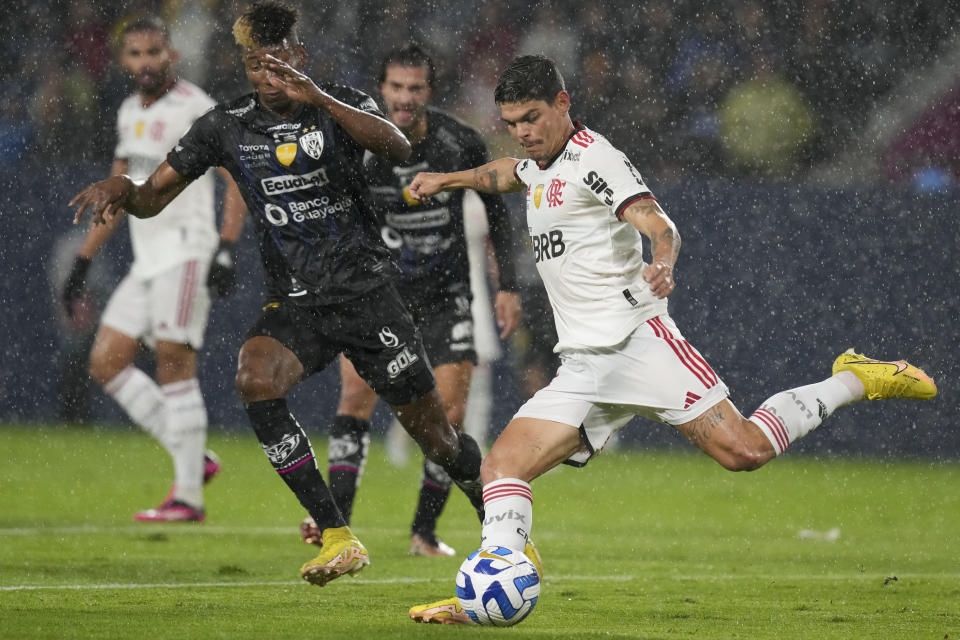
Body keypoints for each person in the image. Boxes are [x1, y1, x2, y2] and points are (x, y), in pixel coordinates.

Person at [404, 55, 938, 624]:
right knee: (499, 471)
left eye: (532, 117)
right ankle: (486, 595)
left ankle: (854, 378)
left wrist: (663, 259)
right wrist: (448, 180)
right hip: (583, 366)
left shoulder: (596, 160)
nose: (524, 132)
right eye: (512, 123)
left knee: (746, 452)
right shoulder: (537, 162)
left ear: (563, 103)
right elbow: (507, 173)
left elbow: (658, 223)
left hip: (641, 345)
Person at [69, 1, 488, 588]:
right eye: (254, 66)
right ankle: (337, 534)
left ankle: (503, 522)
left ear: (298, 56)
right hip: (297, 301)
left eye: (276, 63)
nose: (267, 77)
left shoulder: (337, 103)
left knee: (439, 438)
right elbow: (154, 194)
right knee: (255, 377)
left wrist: (319, 98)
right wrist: (127, 189)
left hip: (367, 295)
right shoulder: (227, 123)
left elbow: (397, 147)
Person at [298, 44, 522, 558]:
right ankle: (338, 527)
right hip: (378, 297)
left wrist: (507, 285)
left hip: (447, 297)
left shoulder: (457, 141)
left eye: (415, 87)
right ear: (381, 88)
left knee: (450, 415)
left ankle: (424, 533)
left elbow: (498, 214)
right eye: (396, 87)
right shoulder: (360, 142)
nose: (405, 97)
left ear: (431, 91)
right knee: (355, 399)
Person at [61, 15, 246, 522]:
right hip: (147, 259)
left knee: (173, 365)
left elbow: (235, 178)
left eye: (154, 53)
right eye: (136, 54)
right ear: (123, 61)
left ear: (172, 55)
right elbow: (114, 193)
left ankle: (187, 497)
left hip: (187, 250)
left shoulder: (197, 107)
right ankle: (195, 459)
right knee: (105, 362)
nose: (145, 63)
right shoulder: (126, 112)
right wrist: (84, 257)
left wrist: (227, 246)